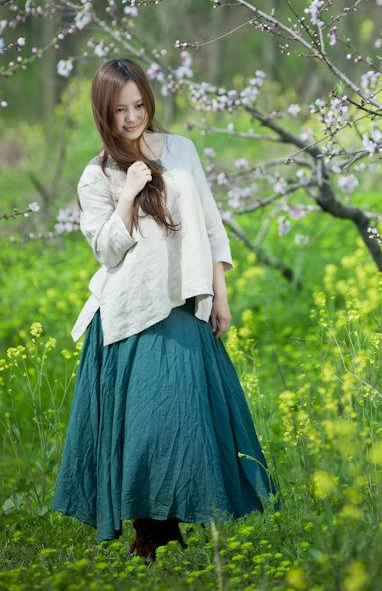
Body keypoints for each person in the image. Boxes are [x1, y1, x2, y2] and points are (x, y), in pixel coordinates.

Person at [53, 58, 275, 560]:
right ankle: (149, 533)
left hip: (182, 300)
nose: (132, 118)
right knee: (145, 426)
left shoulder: (181, 150)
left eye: (139, 105)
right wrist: (129, 191)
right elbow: (107, 250)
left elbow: (210, 224)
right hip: (129, 311)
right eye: (119, 110)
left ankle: (169, 524)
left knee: (182, 418)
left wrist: (219, 292)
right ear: (103, 114)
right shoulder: (97, 175)